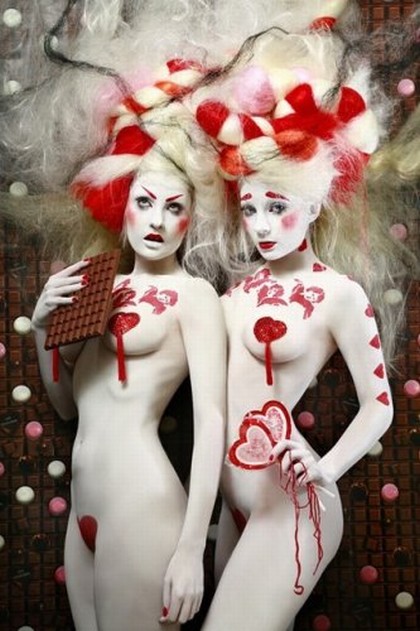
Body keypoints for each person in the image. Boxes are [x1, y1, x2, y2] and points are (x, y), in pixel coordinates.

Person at [190, 10, 418, 630]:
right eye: (251, 209)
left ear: (314, 204)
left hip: (294, 504)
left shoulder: (338, 295)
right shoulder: (234, 295)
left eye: (278, 207)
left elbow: (379, 406)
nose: (261, 225)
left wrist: (324, 468)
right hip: (235, 507)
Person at [27, 65, 226, 631]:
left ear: (190, 220)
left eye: (174, 207)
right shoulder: (97, 284)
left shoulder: (193, 296)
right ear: (123, 205)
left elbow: (212, 420)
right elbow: (69, 407)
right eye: (146, 202)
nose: (157, 220)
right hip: (84, 506)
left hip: (142, 502)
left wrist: (191, 547)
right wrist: (42, 328)